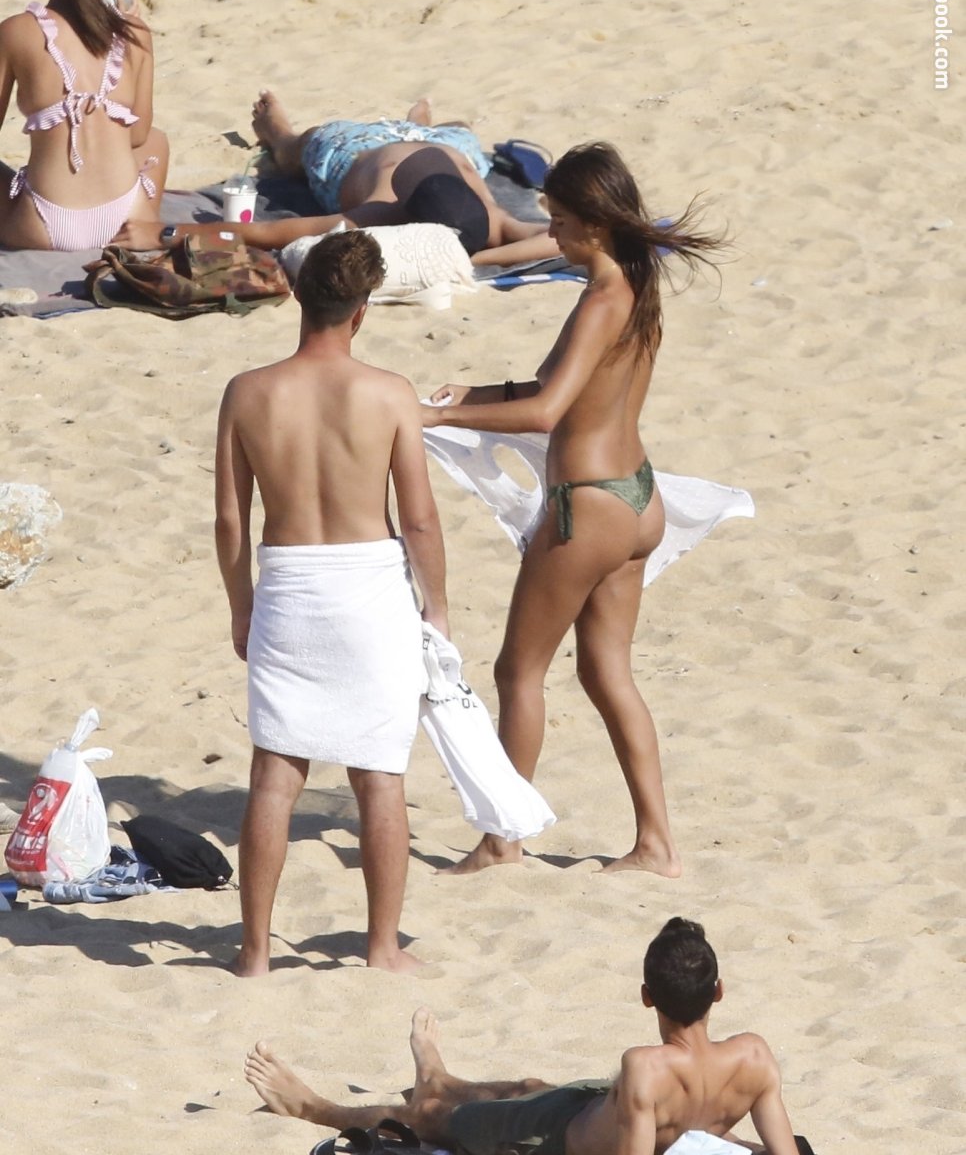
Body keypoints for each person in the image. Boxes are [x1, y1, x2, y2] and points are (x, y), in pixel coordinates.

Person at [420, 142, 727, 876]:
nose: (551, 233)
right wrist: (470, 395)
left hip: (586, 508)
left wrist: (437, 418)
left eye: (558, 220)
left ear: (594, 222)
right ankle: (656, 844)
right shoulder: (637, 285)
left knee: (518, 672)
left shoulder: (599, 300)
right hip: (638, 500)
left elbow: (546, 412)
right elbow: (562, 390)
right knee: (606, 671)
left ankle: (502, 840)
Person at [215, 229, 448, 976]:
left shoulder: (248, 392)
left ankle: (254, 953)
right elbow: (418, 519)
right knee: (379, 776)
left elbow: (230, 521)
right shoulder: (389, 392)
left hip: (288, 584)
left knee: (274, 777)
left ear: (296, 295)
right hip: (370, 588)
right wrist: (437, 608)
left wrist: (241, 605)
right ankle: (382, 947)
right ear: (362, 309)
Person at [243, 918, 803, 1155]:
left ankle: (313, 1107)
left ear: (646, 997)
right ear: (719, 991)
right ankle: (439, 1076)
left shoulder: (647, 1068)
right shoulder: (754, 1057)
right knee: (530, 1087)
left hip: (553, 1139)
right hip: (584, 1107)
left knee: (431, 1117)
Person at [114, 92, 557, 266]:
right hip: (434, 146)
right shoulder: (491, 221)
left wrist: (165, 232)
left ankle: (280, 134)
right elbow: (559, 239)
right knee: (458, 129)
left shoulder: (380, 216)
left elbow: (260, 233)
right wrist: (480, 260)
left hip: (367, 150)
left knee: (297, 151)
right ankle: (416, 123)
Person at [0, 0, 168, 251]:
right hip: (125, 219)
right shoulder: (134, 32)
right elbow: (138, 135)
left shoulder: (16, 31)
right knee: (157, 140)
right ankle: (140, 227)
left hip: (42, 226)